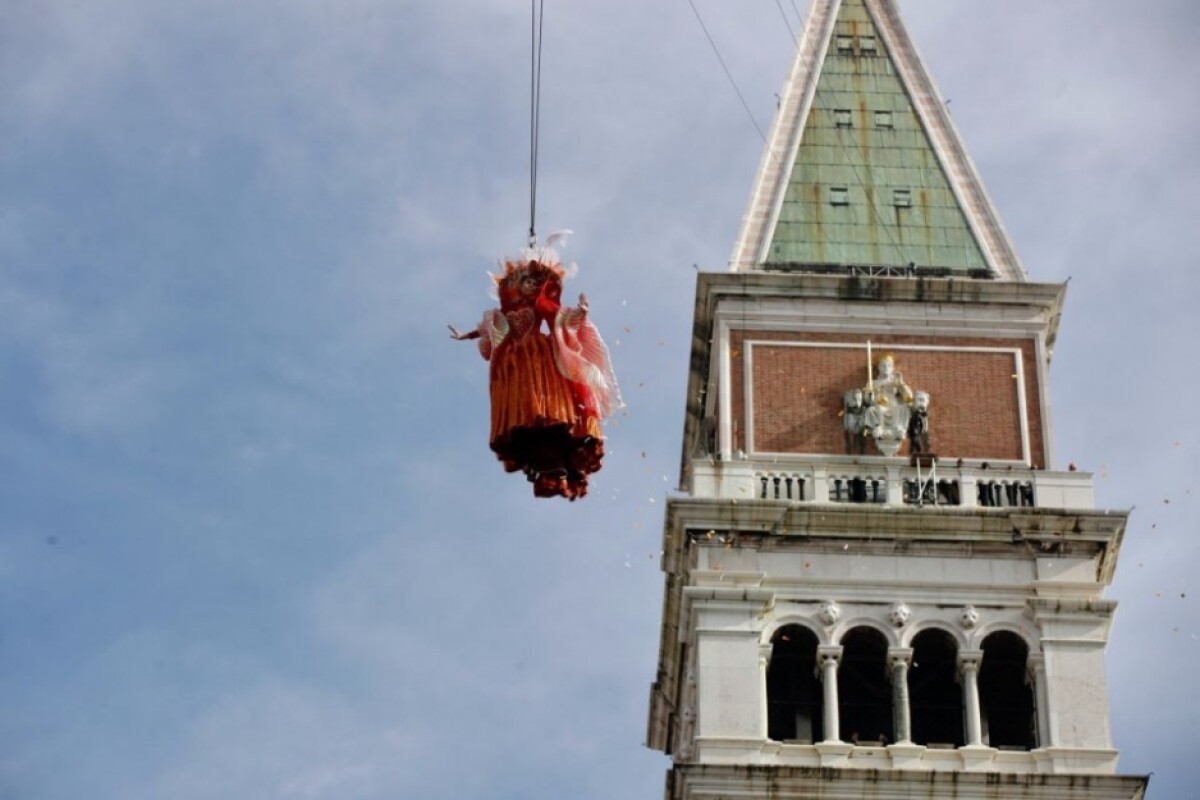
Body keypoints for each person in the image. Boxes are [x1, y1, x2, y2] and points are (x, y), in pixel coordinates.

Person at [450, 249, 620, 500]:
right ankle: (537, 444)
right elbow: (488, 329)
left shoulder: (541, 306)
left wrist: (581, 311)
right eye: (526, 282)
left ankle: (550, 440)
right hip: (514, 362)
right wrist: (467, 335)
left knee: (544, 399)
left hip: (539, 356)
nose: (530, 285)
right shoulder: (503, 314)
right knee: (524, 401)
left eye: (534, 282)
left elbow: (560, 318)